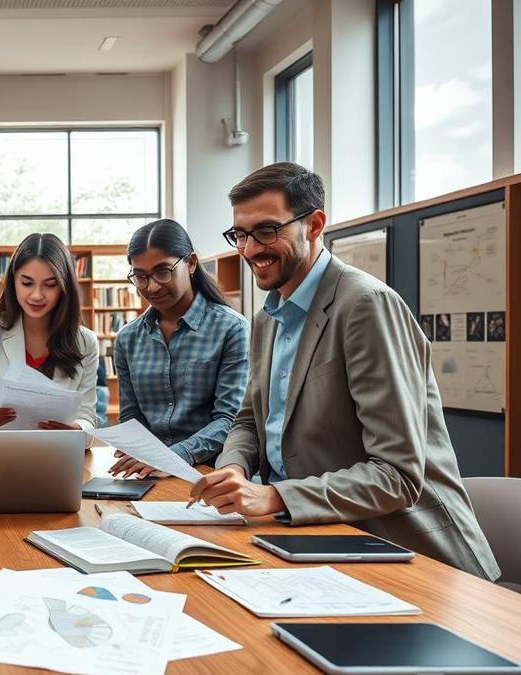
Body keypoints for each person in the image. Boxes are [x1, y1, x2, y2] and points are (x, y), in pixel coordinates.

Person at [190, 162, 499, 580]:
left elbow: (397, 475)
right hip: (310, 542)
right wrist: (234, 469)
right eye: (240, 235)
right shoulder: (268, 318)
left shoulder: (365, 305)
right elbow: (249, 419)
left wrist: (275, 496)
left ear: (314, 224)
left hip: (404, 555)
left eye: (266, 231)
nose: (248, 250)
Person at [107, 219, 249, 479]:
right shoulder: (128, 338)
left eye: (163, 271)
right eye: (140, 276)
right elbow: (131, 417)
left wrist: (173, 457)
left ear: (191, 263)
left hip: (212, 473)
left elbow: (231, 420)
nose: (151, 286)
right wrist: (135, 453)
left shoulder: (232, 328)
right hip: (148, 472)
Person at [0, 232, 99, 433]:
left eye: (50, 284)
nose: (37, 295)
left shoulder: (85, 341)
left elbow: (88, 418)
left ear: (64, 287)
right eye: (27, 283)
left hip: (56, 453)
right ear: (13, 282)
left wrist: (76, 430)